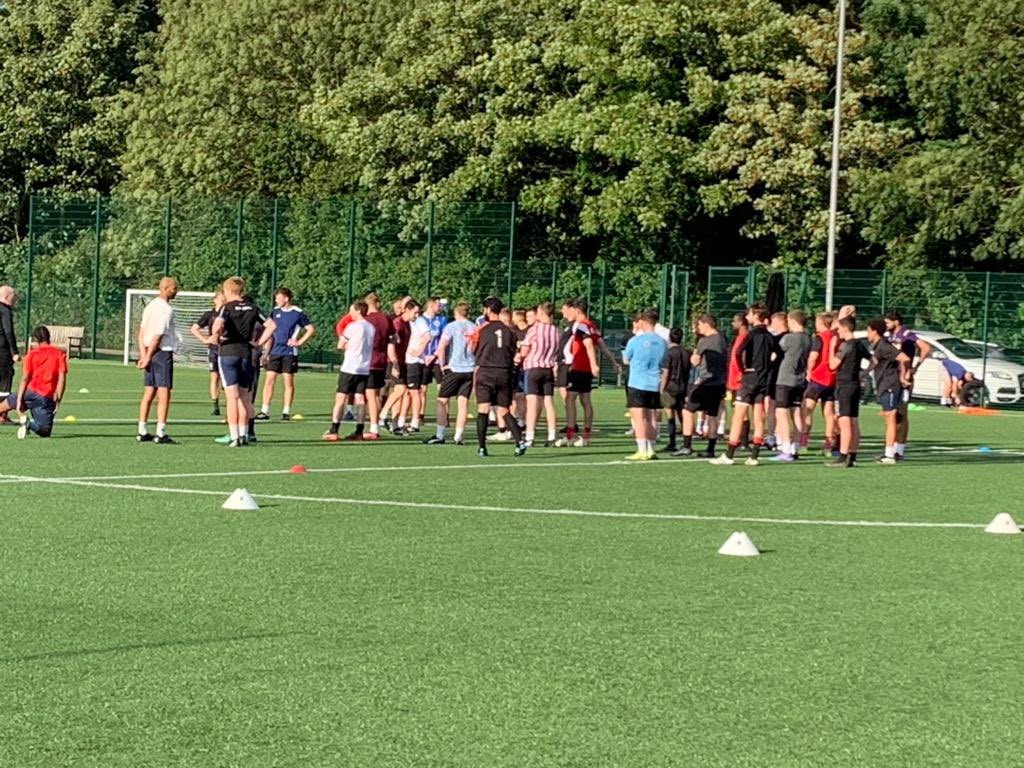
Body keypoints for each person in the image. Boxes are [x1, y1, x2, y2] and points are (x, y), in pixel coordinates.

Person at [711, 304, 774, 466]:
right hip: (763, 379)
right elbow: (779, 353)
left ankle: (729, 455)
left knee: (738, 415)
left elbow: (738, 353)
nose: (747, 317)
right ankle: (754, 456)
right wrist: (767, 367)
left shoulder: (751, 334)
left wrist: (742, 369)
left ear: (756, 316)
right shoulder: (769, 335)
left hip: (749, 378)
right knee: (759, 416)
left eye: (749, 314)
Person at [210, 277, 269, 447]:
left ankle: (234, 436)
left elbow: (217, 326)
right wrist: (259, 343)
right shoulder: (253, 307)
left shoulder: (227, 307)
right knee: (244, 397)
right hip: (246, 353)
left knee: (232, 398)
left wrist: (216, 335)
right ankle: (244, 435)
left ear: (228, 291)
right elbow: (271, 326)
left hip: (228, 352)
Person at [470, 297, 526, 458]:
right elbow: (513, 351)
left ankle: (482, 447)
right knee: (504, 410)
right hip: (504, 373)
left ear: (488, 310)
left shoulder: (481, 329)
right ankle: (519, 442)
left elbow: (473, 348)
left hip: (485, 372)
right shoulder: (509, 331)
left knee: (483, 409)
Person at [257, 288, 315, 421]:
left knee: (288, 381)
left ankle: (286, 411)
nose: (276, 300)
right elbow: (269, 330)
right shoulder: (275, 312)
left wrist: (298, 342)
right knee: (269, 380)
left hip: (289, 352)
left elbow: (310, 329)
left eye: (278, 298)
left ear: (286, 298)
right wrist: (265, 350)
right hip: (275, 351)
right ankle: (264, 411)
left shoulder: (297, 313)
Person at [0, 326, 67, 439]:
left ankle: (26, 422)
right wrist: (58, 400)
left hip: (28, 392)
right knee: (45, 431)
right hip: (45, 396)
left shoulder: (31, 354)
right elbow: (62, 379)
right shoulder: (59, 354)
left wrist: (19, 400)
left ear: (36, 339)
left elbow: (25, 378)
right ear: (49, 337)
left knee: (1, 407)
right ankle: (28, 424)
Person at [425, 301, 476, 445]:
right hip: (469, 368)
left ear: (456, 313)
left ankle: (440, 435)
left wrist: (442, 365)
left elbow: (441, 347)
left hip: (455, 368)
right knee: (463, 402)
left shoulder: (451, 326)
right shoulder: (474, 327)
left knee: (442, 400)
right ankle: (458, 435)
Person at [676, 314, 728, 457]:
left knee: (687, 411)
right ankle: (710, 449)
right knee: (712, 415)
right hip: (720, 383)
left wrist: (693, 354)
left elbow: (695, 361)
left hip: (706, 381)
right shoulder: (722, 338)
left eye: (699, 325)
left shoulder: (705, 341)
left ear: (706, 324)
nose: (698, 328)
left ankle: (687, 445)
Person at [136, 277, 179, 444]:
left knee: (149, 391)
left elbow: (141, 333)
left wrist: (144, 354)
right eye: (174, 288)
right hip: (161, 353)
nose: (176, 292)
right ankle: (160, 432)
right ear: (165, 289)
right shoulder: (166, 310)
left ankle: (142, 430)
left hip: (149, 351)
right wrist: (147, 357)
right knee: (164, 392)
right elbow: (158, 336)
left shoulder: (150, 306)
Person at [323, 301, 375, 441]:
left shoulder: (352, 327)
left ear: (358, 311)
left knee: (341, 397)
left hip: (350, 367)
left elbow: (341, 345)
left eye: (351, 310)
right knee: (360, 398)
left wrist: (350, 346)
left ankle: (334, 430)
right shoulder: (371, 327)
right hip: (364, 368)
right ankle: (359, 431)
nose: (350, 313)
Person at [884, 310, 932, 459]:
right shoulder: (890, 335)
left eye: (888, 322)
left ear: (896, 321)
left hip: (904, 378)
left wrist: (915, 367)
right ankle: (894, 448)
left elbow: (926, 348)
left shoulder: (906, 334)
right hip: (893, 376)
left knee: (901, 413)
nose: (886, 325)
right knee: (894, 413)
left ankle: (899, 449)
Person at [623, 311, 668, 461]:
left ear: (642, 322)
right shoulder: (662, 342)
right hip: (654, 383)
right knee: (651, 417)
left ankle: (642, 449)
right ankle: (651, 448)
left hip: (637, 382)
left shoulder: (635, 340)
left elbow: (626, 359)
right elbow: (663, 361)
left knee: (639, 417)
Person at [866, 317, 911, 464]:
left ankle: (890, 455)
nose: (867, 334)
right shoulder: (878, 346)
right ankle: (893, 452)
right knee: (891, 418)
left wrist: (903, 376)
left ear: (874, 331)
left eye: (868, 331)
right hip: (883, 385)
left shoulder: (884, 346)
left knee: (891, 417)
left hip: (890, 385)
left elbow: (904, 358)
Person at [827, 316, 869, 468]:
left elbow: (832, 365)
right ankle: (853, 456)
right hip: (855, 385)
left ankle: (843, 456)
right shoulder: (859, 344)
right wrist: (864, 373)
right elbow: (874, 360)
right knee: (854, 421)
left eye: (839, 328)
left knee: (844, 422)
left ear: (845, 328)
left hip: (844, 386)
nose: (837, 331)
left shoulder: (846, 345)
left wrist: (832, 348)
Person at [519, 301, 561, 447]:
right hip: (548, 369)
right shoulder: (556, 330)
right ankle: (552, 434)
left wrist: (520, 355)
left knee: (532, 403)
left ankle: (530, 436)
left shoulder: (535, 329)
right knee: (548, 402)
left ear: (542, 313)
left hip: (533, 368)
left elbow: (525, 350)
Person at [772, 310, 811, 462]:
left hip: (785, 379)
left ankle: (786, 448)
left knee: (781, 412)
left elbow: (777, 348)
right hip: (799, 379)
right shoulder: (808, 339)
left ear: (793, 321)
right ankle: (795, 447)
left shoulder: (789, 338)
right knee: (796, 412)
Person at [801, 312, 838, 455]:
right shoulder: (836, 336)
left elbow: (813, 357)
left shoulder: (820, 337)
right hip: (832, 379)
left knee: (807, 410)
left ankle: (803, 444)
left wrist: (809, 371)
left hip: (818, 378)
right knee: (829, 414)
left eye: (817, 321)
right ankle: (828, 446)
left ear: (822, 323)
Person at [379, 297, 415, 434]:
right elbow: (391, 345)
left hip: (403, 361)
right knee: (400, 390)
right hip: (395, 362)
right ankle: (382, 415)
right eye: (415, 313)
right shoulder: (397, 324)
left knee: (401, 392)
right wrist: (394, 364)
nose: (417, 315)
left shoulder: (408, 324)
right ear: (407, 310)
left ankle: (394, 424)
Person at [361, 292, 391, 440]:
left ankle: (373, 427)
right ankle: (375, 424)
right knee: (376, 395)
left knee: (370, 395)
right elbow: (394, 337)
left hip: (370, 360)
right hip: (382, 360)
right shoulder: (386, 318)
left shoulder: (367, 320)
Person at [190, 291, 225, 416]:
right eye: (221, 299)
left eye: (224, 300)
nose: (223, 302)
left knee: (226, 379)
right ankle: (215, 406)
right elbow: (194, 329)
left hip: (226, 349)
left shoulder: (228, 313)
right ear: (214, 300)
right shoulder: (209, 314)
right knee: (214, 377)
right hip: (213, 349)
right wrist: (205, 340)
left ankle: (230, 405)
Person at [660, 327, 690, 453]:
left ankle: (672, 442)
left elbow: (666, 373)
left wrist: (662, 388)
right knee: (682, 414)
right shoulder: (686, 353)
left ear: (669, 338)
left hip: (671, 387)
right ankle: (686, 442)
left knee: (670, 414)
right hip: (683, 386)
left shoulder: (669, 353)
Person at [418, 297, 448, 422]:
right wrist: (423, 355)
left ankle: (444, 417)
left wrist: (435, 354)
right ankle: (420, 415)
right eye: (438, 305)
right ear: (431, 305)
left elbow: (444, 339)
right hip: (423, 359)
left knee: (442, 388)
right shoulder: (420, 320)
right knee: (422, 389)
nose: (440, 307)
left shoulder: (441, 320)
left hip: (437, 359)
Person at [0, 285, 20, 402]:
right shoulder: (5, 310)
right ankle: (1, 410)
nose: (15, 299)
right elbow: (8, 331)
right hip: (2, 352)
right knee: (5, 382)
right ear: (7, 296)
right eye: (14, 296)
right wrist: (15, 352)